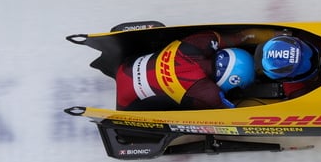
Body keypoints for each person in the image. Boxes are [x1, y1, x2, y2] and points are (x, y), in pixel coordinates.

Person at [115, 28, 280, 111]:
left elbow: (243, 36)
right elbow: (239, 112)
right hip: (126, 103)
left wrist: (278, 34)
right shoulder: (207, 91)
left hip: (126, 65)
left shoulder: (200, 43)